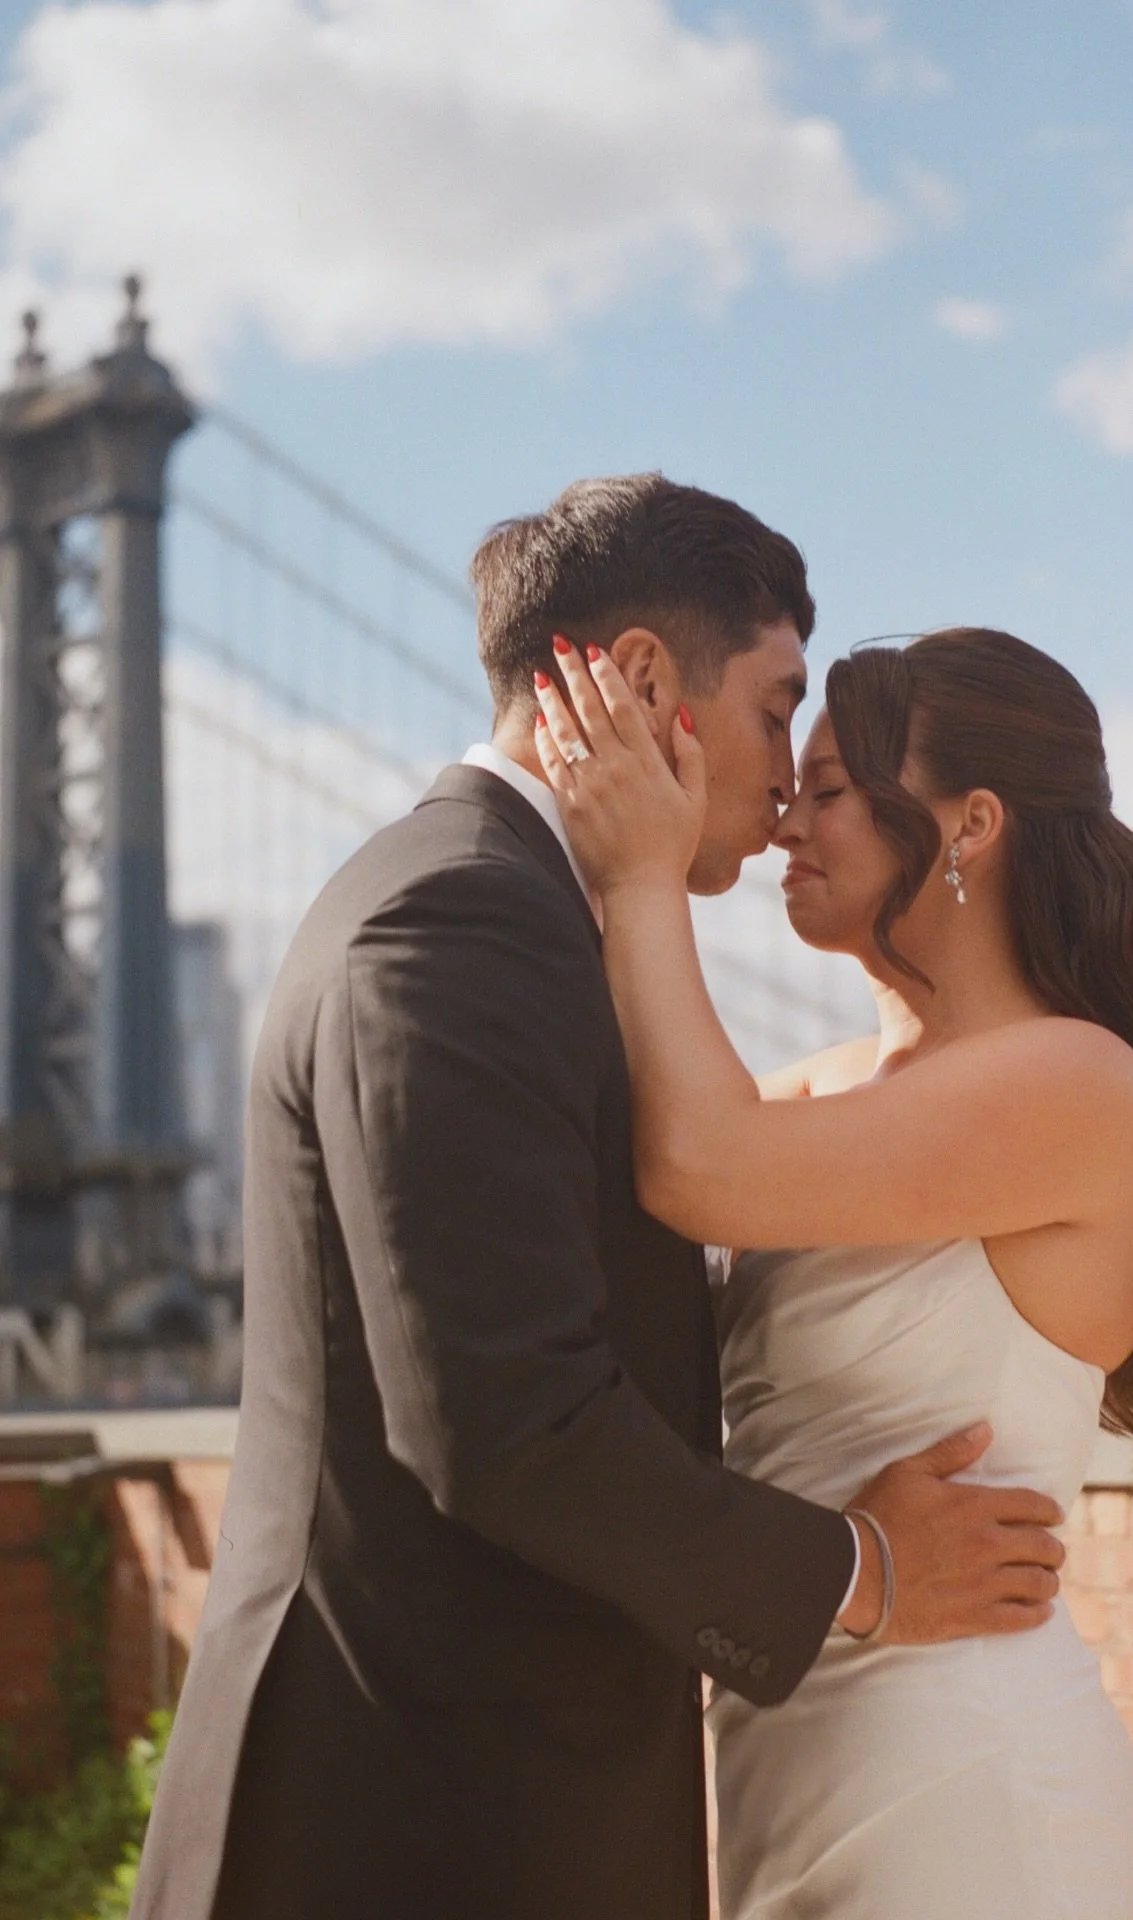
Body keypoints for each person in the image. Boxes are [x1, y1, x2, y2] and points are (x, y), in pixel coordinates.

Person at [132, 481, 1069, 1920]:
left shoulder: (517, 913)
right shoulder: (460, 922)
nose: (783, 784)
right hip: (411, 1827)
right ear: (644, 683)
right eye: (773, 711)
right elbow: (507, 1421)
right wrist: (864, 1571)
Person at [533, 625, 1133, 1920]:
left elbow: (701, 1166)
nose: (778, 825)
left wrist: (641, 869)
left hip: (970, 1786)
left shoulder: (1072, 1081)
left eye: (827, 791)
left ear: (971, 824)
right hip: (791, 1760)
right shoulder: (810, 1092)